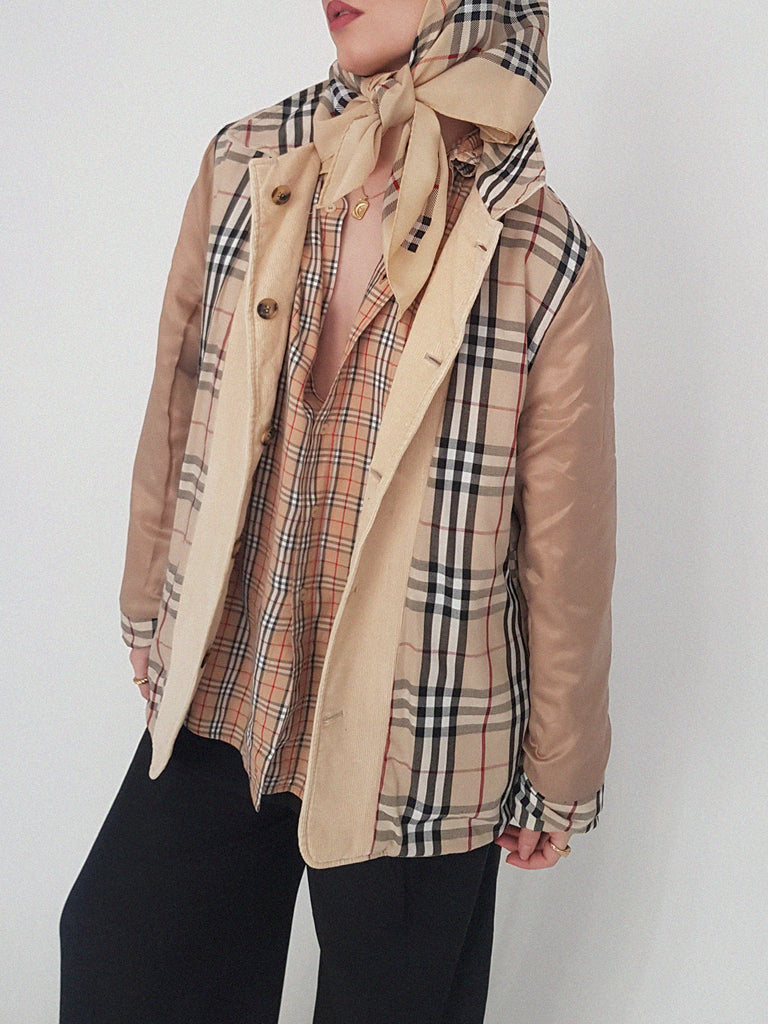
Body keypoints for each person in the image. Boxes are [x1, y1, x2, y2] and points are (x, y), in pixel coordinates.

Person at [59, 1, 616, 1022]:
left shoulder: (543, 251)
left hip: (427, 727)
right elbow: (177, 399)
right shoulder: (248, 161)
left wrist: (559, 771)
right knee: (120, 948)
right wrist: (151, 609)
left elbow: (565, 549)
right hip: (237, 669)